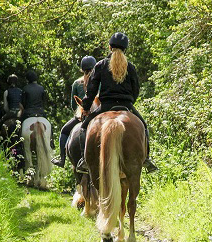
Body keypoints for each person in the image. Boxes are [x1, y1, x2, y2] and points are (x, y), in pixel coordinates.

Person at [76, 32, 158, 174]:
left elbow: (91, 91)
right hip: (126, 106)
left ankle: (84, 160)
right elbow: (135, 90)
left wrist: (86, 106)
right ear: (125, 49)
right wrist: (130, 102)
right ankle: (147, 159)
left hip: (105, 106)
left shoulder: (101, 65)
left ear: (109, 47)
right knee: (144, 127)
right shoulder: (130, 67)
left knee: (83, 128)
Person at [51, 55, 97, 167]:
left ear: (82, 69)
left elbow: (73, 104)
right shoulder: (99, 81)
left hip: (83, 115)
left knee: (64, 131)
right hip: (99, 113)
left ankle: (62, 159)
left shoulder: (77, 83)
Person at [20, 70, 52, 167]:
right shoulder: (41, 88)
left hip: (28, 113)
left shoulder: (25, 89)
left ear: (27, 79)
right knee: (50, 126)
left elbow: (23, 104)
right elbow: (44, 102)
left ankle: (18, 144)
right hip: (41, 113)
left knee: (19, 127)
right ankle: (51, 142)